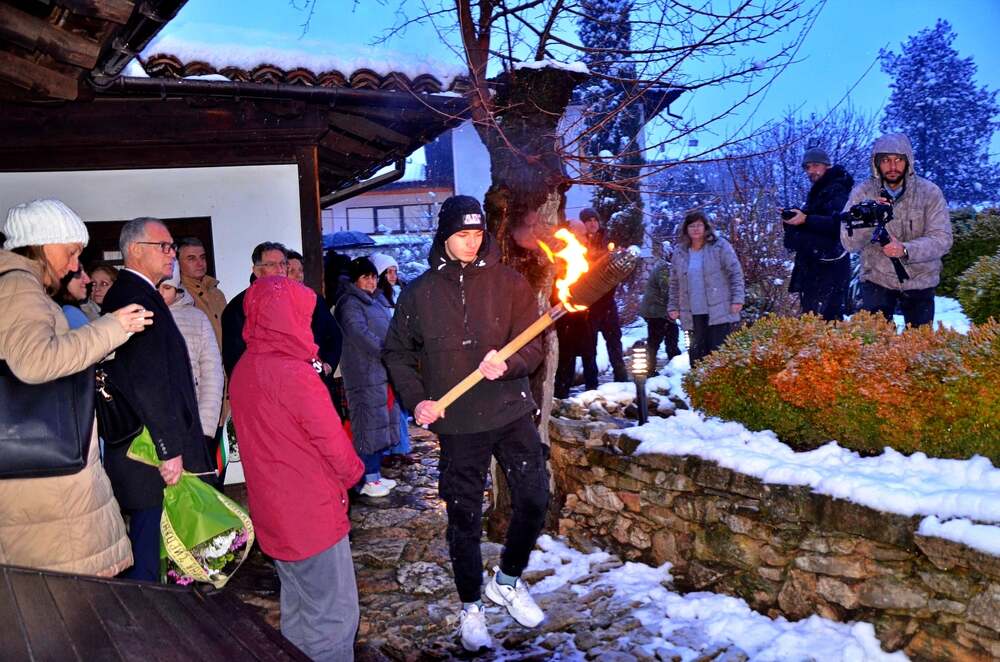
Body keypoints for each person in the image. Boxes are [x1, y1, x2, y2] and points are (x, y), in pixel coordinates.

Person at [383, 195, 548, 652]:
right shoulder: (419, 293)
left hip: (510, 411)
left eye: (477, 234)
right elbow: (396, 352)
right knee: (464, 516)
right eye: (462, 234)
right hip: (459, 423)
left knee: (535, 499)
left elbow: (534, 346)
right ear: (445, 236)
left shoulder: (509, 283)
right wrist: (417, 400)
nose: (472, 242)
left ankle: (507, 581)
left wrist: (510, 364)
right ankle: (471, 606)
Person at [0, 198, 152, 577]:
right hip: (51, 489)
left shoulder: (18, 285)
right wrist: (112, 328)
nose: (73, 265)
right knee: (71, 603)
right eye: (70, 252)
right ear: (42, 244)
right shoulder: (19, 286)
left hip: (42, 483)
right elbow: (35, 362)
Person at [230, 275, 364, 662]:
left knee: (298, 608)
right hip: (310, 514)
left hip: (273, 512)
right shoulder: (294, 373)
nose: (306, 322)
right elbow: (332, 442)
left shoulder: (245, 367)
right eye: (302, 315)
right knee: (333, 617)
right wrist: (355, 475)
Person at [101, 217, 217, 582]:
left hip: (148, 446)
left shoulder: (140, 293)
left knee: (157, 546)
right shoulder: (134, 298)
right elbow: (148, 380)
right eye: (164, 247)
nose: (172, 254)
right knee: (149, 552)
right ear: (136, 250)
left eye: (172, 247)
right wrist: (169, 449)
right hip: (146, 451)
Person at [841, 133, 953, 328]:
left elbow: (942, 239)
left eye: (898, 160)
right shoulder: (863, 192)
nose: (892, 166)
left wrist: (905, 249)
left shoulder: (929, 192)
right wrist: (869, 218)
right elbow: (848, 243)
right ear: (876, 163)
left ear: (908, 161)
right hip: (877, 279)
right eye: (885, 160)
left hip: (921, 280)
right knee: (875, 340)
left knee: (920, 342)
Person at [334, 257, 401, 498]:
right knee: (367, 426)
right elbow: (359, 333)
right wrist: (386, 351)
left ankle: (375, 474)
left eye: (373, 276)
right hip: (363, 373)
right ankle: (365, 478)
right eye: (365, 277)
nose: (371, 281)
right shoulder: (350, 304)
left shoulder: (374, 301)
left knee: (380, 425)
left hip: (379, 371)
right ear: (355, 281)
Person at [782, 147, 854, 321]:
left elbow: (840, 224)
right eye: (807, 167)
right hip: (817, 268)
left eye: (815, 165)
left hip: (829, 269)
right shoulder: (821, 190)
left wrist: (805, 219)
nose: (810, 171)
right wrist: (795, 218)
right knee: (816, 323)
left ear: (827, 166)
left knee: (824, 324)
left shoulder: (838, 190)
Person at [158, 261, 224, 442]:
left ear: (176, 289)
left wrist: (205, 427)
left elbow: (212, 373)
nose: (160, 293)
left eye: (166, 287)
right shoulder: (136, 317)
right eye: (155, 287)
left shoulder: (197, 318)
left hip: (190, 418)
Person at [668, 211, 745, 364]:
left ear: (706, 227)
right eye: (692, 226)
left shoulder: (720, 246)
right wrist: (673, 306)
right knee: (696, 356)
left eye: (699, 225)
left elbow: (735, 273)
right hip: (691, 312)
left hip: (718, 311)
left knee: (718, 356)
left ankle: (716, 380)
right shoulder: (680, 252)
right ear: (686, 229)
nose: (696, 229)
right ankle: (697, 380)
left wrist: (738, 298)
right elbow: (674, 283)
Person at [221, 242, 289, 376]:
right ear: (257, 271)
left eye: (283, 263)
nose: (280, 269)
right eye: (271, 264)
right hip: (259, 381)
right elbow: (235, 359)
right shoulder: (238, 307)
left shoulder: (296, 300)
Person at [370, 252, 412, 461]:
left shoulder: (401, 293)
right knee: (391, 404)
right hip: (390, 353)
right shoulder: (378, 299)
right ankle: (395, 448)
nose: (393, 275)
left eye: (395, 271)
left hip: (402, 351)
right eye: (388, 272)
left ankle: (401, 447)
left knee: (400, 403)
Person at [580, 207, 629, 382]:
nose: (592, 223)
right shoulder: (577, 242)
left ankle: (621, 379)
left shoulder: (607, 241)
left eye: (595, 220)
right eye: (588, 220)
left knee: (614, 339)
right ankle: (591, 383)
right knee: (588, 345)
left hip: (607, 299)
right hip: (588, 303)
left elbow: (615, 264)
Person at [176, 237, 227, 347]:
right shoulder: (178, 295)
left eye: (202, 257)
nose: (200, 263)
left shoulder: (217, 293)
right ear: (177, 263)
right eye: (191, 259)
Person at [639, 245, 680, 373]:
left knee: (668, 337)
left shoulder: (668, 268)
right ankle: (650, 370)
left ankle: (672, 366)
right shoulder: (665, 269)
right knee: (656, 340)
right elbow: (667, 291)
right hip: (656, 311)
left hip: (660, 310)